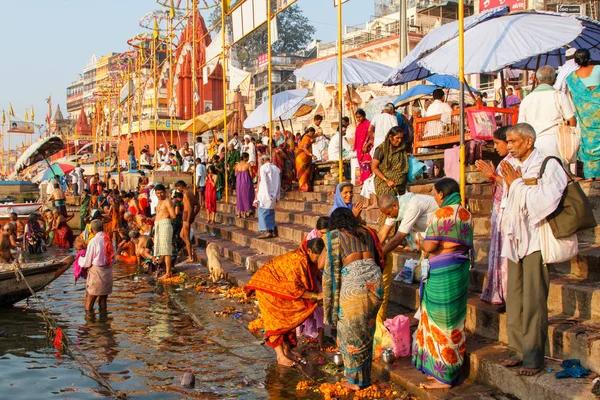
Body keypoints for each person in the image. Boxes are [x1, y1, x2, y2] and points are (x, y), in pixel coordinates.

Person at [499, 123, 568, 376]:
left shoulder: (549, 165)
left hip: (537, 239)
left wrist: (517, 184)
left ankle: (533, 358)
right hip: (515, 240)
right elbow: (509, 202)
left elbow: (545, 202)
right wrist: (511, 184)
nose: (509, 146)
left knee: (533, 300)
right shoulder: (513, 166)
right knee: (514, 298)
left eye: (514, 141)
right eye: (508, 141)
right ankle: (516, 351)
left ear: (529, 141)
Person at [411, 178, 473, 389]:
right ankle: (446, 370)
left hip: (443, 272)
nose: (434, 198)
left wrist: (419, 241)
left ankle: (444, 376)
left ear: (441, 194)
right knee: (454, 322)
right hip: (459, 268)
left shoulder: (442, 213)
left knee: (441, 322)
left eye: (434, 193)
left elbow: (430, 245)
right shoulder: (466, 214)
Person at [319, 207, 383, 391]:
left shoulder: (334, 237)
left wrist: (327, 240)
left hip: (354, 286)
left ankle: (355, 381)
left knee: (349, 334)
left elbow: (321, 264)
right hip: (375, 283)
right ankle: (364, 378)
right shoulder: (368, 232)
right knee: (366, 331)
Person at [244, 238, 325, 366]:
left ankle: (288, 352)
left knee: (290, 318)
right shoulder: (297, 261)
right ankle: (280, 356)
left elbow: (316, 275)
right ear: (309, 251)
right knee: (277, 321)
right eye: (318, 257)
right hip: (268, 288)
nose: (319, 260)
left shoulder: (309, 259)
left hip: (282, 288)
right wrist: (317, 295)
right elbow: (295, 290)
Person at [475, 126, 512, 305]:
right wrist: (492, 177)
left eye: (498, 143)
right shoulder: (505, 161)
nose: (495, 147)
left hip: (508, 214)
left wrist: (493, 176)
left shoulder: (513, 162)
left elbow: (515, 187)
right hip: (499, 211)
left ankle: (506, 294)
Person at [518, 65, 577, 161]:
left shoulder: (526, 99)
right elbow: (572, 121)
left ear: (536, 81)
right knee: (558, 174)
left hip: (533, 145)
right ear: (554, 81)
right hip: (557, 144)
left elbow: (521, 127)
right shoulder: (559, 96)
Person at [566, 48, 600, 181]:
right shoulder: (598, 69)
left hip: (586, 117)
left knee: (588, 142)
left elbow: (571, 97)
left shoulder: (571, 78)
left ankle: (591, 175)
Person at [81, 220, 115, 311]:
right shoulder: (110, 239)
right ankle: (104, 322)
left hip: (97, 273)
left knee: (90, 299)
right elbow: (114, 258)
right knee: (103, 300)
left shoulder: (94, 241)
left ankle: (89, 321)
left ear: (91, 230)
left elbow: (87, 261)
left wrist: (79, 260)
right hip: (108, 272)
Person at [371, 126, 409, 199]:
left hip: (401, 183)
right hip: (384, 183)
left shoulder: (402, 148)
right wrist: (387, 180)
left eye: (401, 138)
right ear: (390, 137)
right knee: (389, 203)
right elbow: (374, 167)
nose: (400, 140)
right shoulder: (381, 149)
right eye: (397, 138)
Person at [153, 183, 176, 281]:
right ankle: (166, 270)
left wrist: (164, 219)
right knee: (162, 249)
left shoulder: (167, 201)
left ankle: (168, 273)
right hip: (158, 225)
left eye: (161, 192)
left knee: (166, 250)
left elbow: (173, 215)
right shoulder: (159, 202)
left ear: (165, 192)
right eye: (157, 193)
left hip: (165, 225)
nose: (159, 195)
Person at [255, 154, 280, 239]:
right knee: (270, 213)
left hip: (264, 194)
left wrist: (266, 194)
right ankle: (271, 230)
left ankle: (266, 231)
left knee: (263, 213)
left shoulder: (263, 168)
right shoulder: (276, 169)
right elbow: (278, 183)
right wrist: (277, 195)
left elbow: (264, 182)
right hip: (273, 193)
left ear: (262, 161)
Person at [175, 180, 200, 263]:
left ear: (181, 186)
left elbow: (189, 208)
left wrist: (189, 219)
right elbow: (198, 205)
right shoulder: (191, 192)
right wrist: (194, 215)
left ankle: (190, 257)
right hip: (188, 216)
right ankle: (191, 250)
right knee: (181, 235)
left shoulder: (185, 194)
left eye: (177, 187)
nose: (177, 189)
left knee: (186, 237)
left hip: (186, 216)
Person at [295, 127, 318, 192]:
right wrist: (312, 155)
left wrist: (312, 142)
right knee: (304, 172)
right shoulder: (307, 138)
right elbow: (305, 148)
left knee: (301, 172)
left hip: (299, 157)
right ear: (310, 132)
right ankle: (304, 187)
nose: (313, 135)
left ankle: (303, 187)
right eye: (312, 134)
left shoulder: (304, 137)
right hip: (303, 157)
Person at [353, 109, 373, 184]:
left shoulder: (369, 124)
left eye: (360, 117)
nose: (358, 119)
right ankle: (363, 181)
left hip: (367, 149)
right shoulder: (359, 125)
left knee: (366, 164)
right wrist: (355, 147)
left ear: (364, 116)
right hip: (359, 149)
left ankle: (367, 181)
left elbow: (370, 137)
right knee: (361, 165)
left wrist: (366, 146)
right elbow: (357, 137)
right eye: (357, 117)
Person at [235, 152, 255, 218]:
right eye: (248, 157)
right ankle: (244, 213)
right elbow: (251, 174)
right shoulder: (248, 165)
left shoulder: (237, 165)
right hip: (246, 182)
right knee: (246, 196)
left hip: (239, 182)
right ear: (245, 158)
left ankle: (239, 213)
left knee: (239, 197)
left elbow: (235, 174)